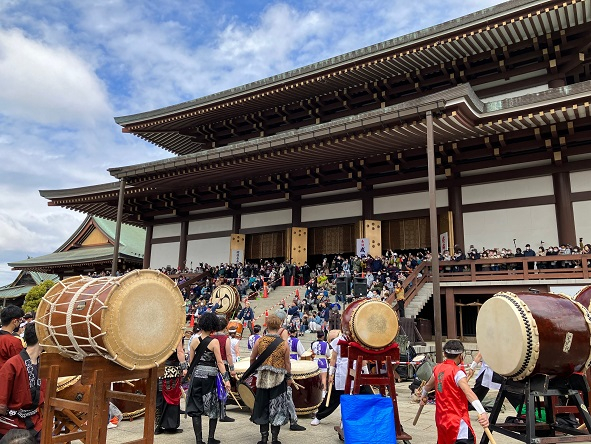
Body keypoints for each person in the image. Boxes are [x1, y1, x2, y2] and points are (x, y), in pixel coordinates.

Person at [420, 340, 489, 444]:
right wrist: (482, 412)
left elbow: (427, 386)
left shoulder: (437, 369)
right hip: (457, 421)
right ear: (460, 355)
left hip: (441, 420)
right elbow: (469, 393)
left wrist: (423, 396)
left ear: (444, 354)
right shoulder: (457, 373)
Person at [187, 312, 232, 444]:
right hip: (210, 376)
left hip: (197, 375)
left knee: (195, 407)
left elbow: (191, 361)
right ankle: (211, 438)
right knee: (213, 406)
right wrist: (226, 378)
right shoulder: (214, 342)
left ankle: (199, 440)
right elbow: (219, 362)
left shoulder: (194, 340)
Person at [311, 330, 371, 426]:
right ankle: (319, 416)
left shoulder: (359, 340)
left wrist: (366, 375)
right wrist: (331, 374)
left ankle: (349, 419)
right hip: (341, 373)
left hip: (356, 372)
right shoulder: (338, 341)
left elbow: (363, 359)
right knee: (332, 398)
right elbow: (333, 358)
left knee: (369, 396)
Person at [250, 315, 293, 444]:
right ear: (279, 327)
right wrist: (289, 377)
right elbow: (287, 363)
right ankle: (274, 439)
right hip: (278, 380)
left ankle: (264, 438)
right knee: (277, 408)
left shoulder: (260, 341)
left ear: (267, 326)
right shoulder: (284, 343)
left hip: (262, 378)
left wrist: (253, 370)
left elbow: (252, 358)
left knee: (262, 407)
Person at [0, 324, 46, 441]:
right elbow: (1, 401)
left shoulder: (44, 364)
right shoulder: (12, 364)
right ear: (41, 337)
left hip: (35, 422)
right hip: (11, 424)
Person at [155, 339, 188, 435]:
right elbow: (180, 351)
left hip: (159, 369)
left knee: (159, 398)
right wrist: (184, 367)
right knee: (172, 399)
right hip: (171, 371)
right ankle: (170, 426)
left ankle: (158, 426)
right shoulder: (176, 335)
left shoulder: (158, 333)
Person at [212, 317, 236, 423]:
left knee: (213, 389)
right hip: (223, 366)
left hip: (212, 365)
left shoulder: (211, 337)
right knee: (222, 389)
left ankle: (212, 410)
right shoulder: (226, 339)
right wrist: (232, 368)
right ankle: (222, 413)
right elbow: (229, 355)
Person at [310, 331, 330, 395]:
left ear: (317, 336)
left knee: (316, 378)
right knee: (323, 378)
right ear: (323, 336)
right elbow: (328, 354)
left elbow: (312, 352)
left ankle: (316, 392)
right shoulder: (326, 344)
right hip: (323, 361)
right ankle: (323, 393)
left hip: (315, 361)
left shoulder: (314, 343)